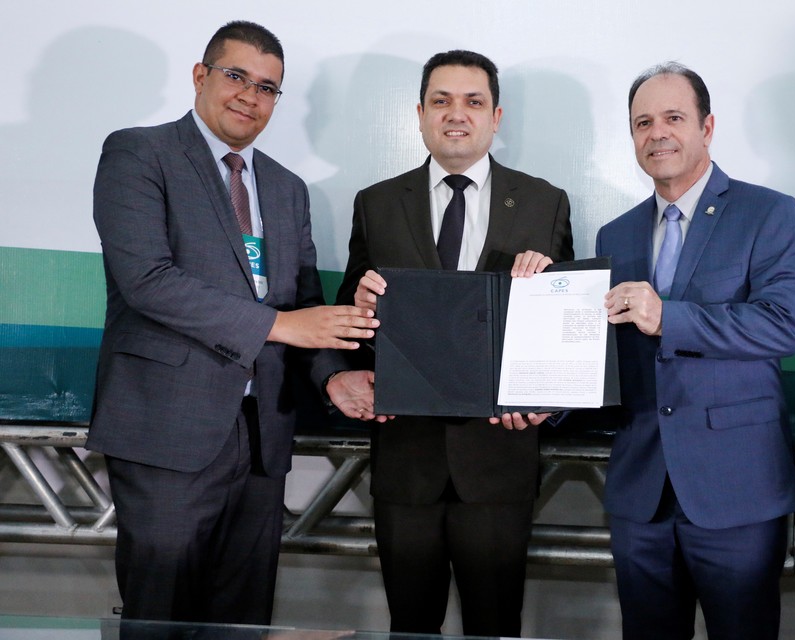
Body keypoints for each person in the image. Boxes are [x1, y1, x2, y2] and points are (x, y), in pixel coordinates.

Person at [87, 20, 382, 625]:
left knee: (244, 618)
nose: (251, 94)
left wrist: (331, 378)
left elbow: (301, 303)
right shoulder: (140, 153)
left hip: (261, 435)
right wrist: (283, 328)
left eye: (269, 87)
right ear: (200, 76)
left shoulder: (286, 188)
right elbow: (148, 281)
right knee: (161, 615)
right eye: (236, 76)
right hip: (166, 430)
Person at [337, 50, 574, 637]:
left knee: (495, 626)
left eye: (473, 101)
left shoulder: (546, 203)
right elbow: (350, 317)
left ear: (497, 116)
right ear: (420, 115)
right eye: (441, 101)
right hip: (405, 460)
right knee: (410, 627)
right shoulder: (376, 203)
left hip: (498, 461)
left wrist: (552, 398)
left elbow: (570, 327)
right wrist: (359, 322)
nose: (456, 114)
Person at [596, 62, 795, 640]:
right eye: (643, 122)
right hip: (641, 490)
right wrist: (547, 401)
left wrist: (668, 317)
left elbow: (785, 327)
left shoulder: (769, 212)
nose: (657, 133)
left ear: (707, 126)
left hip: (735, 488)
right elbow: (610, 359)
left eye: (673, 118)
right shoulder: (614, 236)